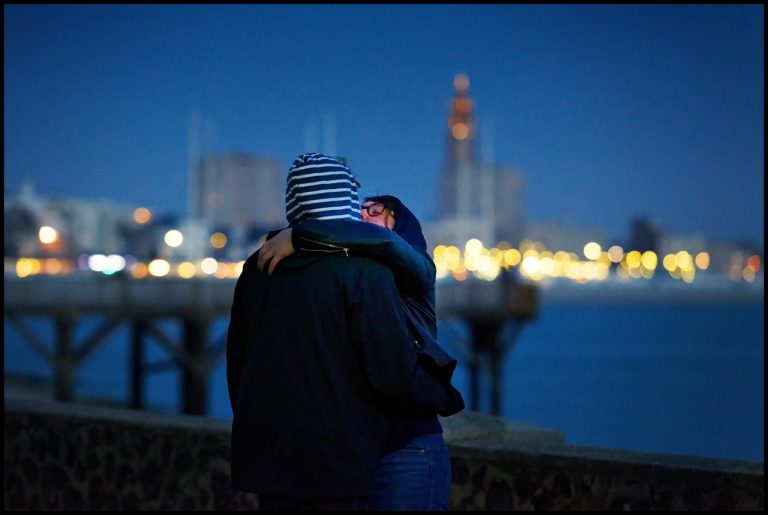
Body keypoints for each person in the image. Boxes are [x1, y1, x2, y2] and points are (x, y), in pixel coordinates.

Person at [226, 153, 460, 511]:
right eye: (362, 206)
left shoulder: (258, 270)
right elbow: (392, 372)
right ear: (347, 203)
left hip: (311, 462)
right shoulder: (362, 273)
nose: (367, 216)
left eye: (380, 211)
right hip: (353, 458)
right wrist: (442, 395)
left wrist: (302, 235)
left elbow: (239, 367)